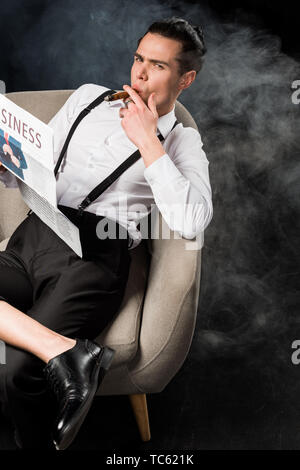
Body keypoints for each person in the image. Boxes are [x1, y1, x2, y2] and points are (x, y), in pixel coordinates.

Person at [0, 17, 213, 450]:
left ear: (185, 79)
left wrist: (147, 142)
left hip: (94, 254)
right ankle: (70, 353)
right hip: (36, 233)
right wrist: (9, 167)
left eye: (157, 66)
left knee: (18, 370)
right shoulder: (87, 99)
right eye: (138, 59)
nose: (139, 73)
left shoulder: (180, 141)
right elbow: (42, 168)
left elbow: (192, 220)